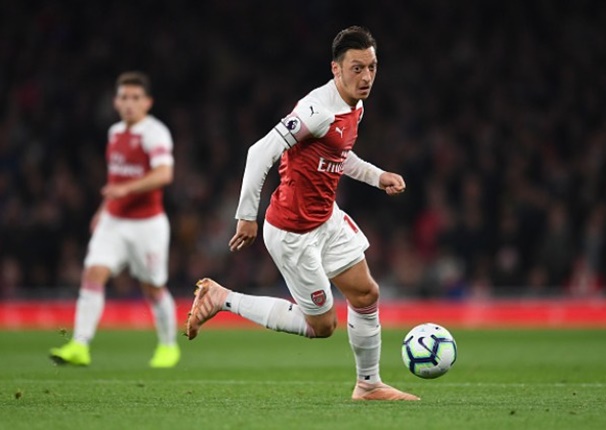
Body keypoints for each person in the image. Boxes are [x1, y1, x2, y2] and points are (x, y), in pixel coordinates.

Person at [186, 26, 418, 400]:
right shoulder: (317, 110)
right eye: (357, 68)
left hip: (325, 218)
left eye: (372, 67)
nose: (366, 77)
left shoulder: (355, 106)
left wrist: (377, 177)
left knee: (365, 294)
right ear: (336, 69)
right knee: (322, 326)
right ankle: (221, 297)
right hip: (292, 230)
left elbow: (339, 155)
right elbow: (259, 152)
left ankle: (369, 385)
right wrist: (246, 215)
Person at [50, 71, 180, 368]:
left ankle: (168, 346)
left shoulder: (155, 133)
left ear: (147, 102)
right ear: (115, 102)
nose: (129, 103)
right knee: (93, 273)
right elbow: (115, 179)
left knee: (153, 288)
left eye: (135, 98)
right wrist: (103, 209)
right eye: (124, 97)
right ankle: (80, 345)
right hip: (115, 221)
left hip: (147, 224)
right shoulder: (115, 133)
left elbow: (164, 174)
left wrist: (126, 189)